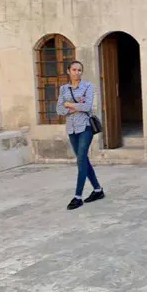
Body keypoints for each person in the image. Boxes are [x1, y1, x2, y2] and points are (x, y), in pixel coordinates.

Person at [56, 60, 105, 211]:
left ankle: (78, 197)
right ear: (68, 71)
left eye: (79, 70)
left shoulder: (88, 86)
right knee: (83, 160)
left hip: (85, 127)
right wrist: (75, 106)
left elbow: (87, 106)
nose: (77, 72)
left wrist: (68, 104)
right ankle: (98, 190)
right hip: (71, 129)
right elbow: (58, 109)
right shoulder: (63, 89)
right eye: (74, 70)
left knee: (81, 160)